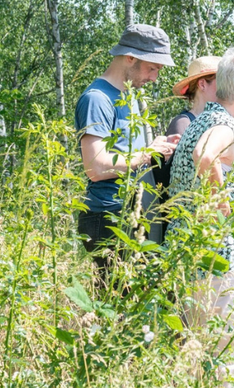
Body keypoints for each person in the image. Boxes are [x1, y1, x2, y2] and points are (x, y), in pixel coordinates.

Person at [164, 44, 234, 385]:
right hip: (223, 271)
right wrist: (227, 211)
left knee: (206, 370)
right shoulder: (223, 126)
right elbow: (205, 156)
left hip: (199, 265)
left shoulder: (202, 120)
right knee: (233, 370)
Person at [74, 24, 179, 279]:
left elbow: (123, 153)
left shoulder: (128, 96)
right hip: (108, 217)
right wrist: (146, 154)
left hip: (130, 213)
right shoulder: (98, 98)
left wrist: (156, 147)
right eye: (152, 67)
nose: (154, 77)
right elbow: (96, 167)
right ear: (130, 57)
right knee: (113, 307)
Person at [148, 55, 221, 244]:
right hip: (187, 223)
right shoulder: (183, 123)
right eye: (220, 83)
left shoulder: (215, 122)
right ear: (203, 84)